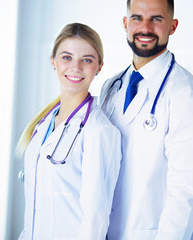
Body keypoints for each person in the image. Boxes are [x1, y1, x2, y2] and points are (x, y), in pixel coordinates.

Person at [99, 0, 193, 239]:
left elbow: (185, 194)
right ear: (125, 24)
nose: (145, 28)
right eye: (137, 18)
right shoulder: (110, 87)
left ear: (172, 26)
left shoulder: (188, 95)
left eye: (156, 19)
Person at [17, 23, 121, 240]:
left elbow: (95, 219)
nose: (75, 67)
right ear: (53, 61)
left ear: (99, 67)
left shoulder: (99, 132)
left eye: (87, 59)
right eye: (67, 57)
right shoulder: (43, 124)